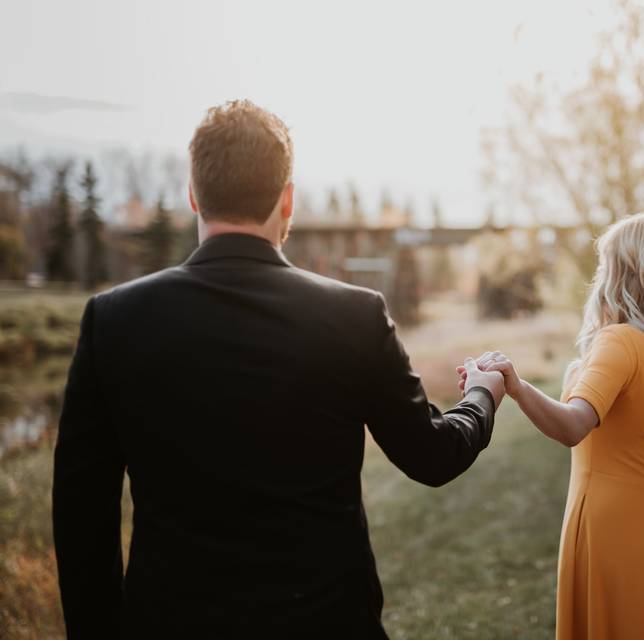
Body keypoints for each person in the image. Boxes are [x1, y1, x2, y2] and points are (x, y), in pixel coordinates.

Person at [51, 99, 506, 639]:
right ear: (287, 201)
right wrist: (481, 394)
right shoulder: (355, 316)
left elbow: (82, 515)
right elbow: (433, 455)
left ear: (194, 195)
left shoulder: (114, 320)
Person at [461, 213, 644, 640]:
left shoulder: (620, 343)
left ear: (617, 273)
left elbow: (572, 427)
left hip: (612, 535)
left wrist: (516, 384)